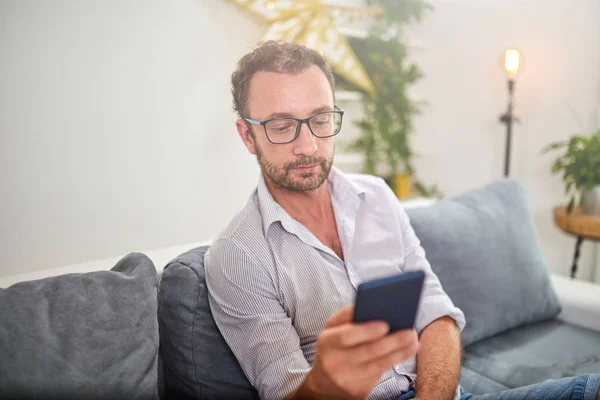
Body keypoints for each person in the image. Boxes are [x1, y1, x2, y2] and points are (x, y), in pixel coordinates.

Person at [204, 40, 600, 400]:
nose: (308, 145)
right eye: (282, 126)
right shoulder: (238, 257)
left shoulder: (375, 196)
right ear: (246, 135)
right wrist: (326, 381)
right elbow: (285, 391)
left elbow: (438, 316)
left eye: (321, 119)